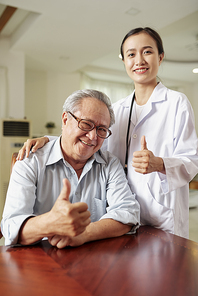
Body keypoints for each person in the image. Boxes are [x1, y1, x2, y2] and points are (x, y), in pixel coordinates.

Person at [16, 27, 198, 239]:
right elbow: (94, 141)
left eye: (147, 52)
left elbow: (192, 160)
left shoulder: (177, 103)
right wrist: (49, 140)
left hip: (162, 216)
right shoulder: (117, 108)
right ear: (124, 61)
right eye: (131, 54)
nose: (139, 60)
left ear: (160, 56)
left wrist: (158, 164)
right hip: (118, 215)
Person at [1, 90, 140, 248]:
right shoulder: (30, 160)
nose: (93, 137)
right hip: (36, 262)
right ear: (65, 119)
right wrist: (50, 222)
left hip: (92, 261)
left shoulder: (110, 164)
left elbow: (128, 214)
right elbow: (11, 226)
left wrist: (85, 233)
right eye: (86, 124)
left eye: (101, 129)